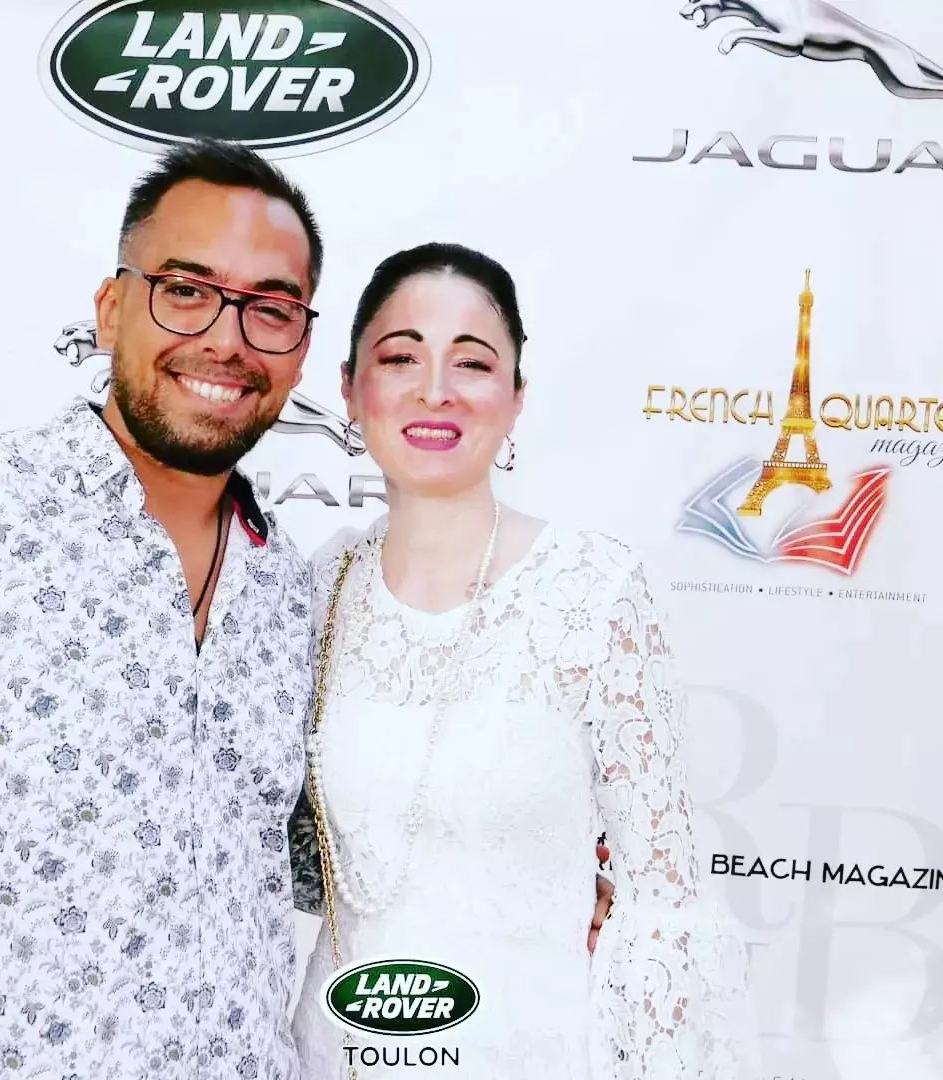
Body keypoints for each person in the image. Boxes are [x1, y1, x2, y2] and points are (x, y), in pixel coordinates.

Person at [0, 140, 322, 1079]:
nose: (227, 339)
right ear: (112, 309)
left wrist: (545, 856)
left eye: (269, 309)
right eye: (185, 290)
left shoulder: (288, 587)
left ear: (302, 349)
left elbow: (310, 859)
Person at [289, 243, 759, 1078]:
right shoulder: (316, 590)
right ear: (351, 388)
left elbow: (665, 905)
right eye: (401, 358)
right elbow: (292, 853)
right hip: (339, 1051)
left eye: (472, 362)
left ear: (516, 398)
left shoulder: (592, 590)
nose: (436, 389)